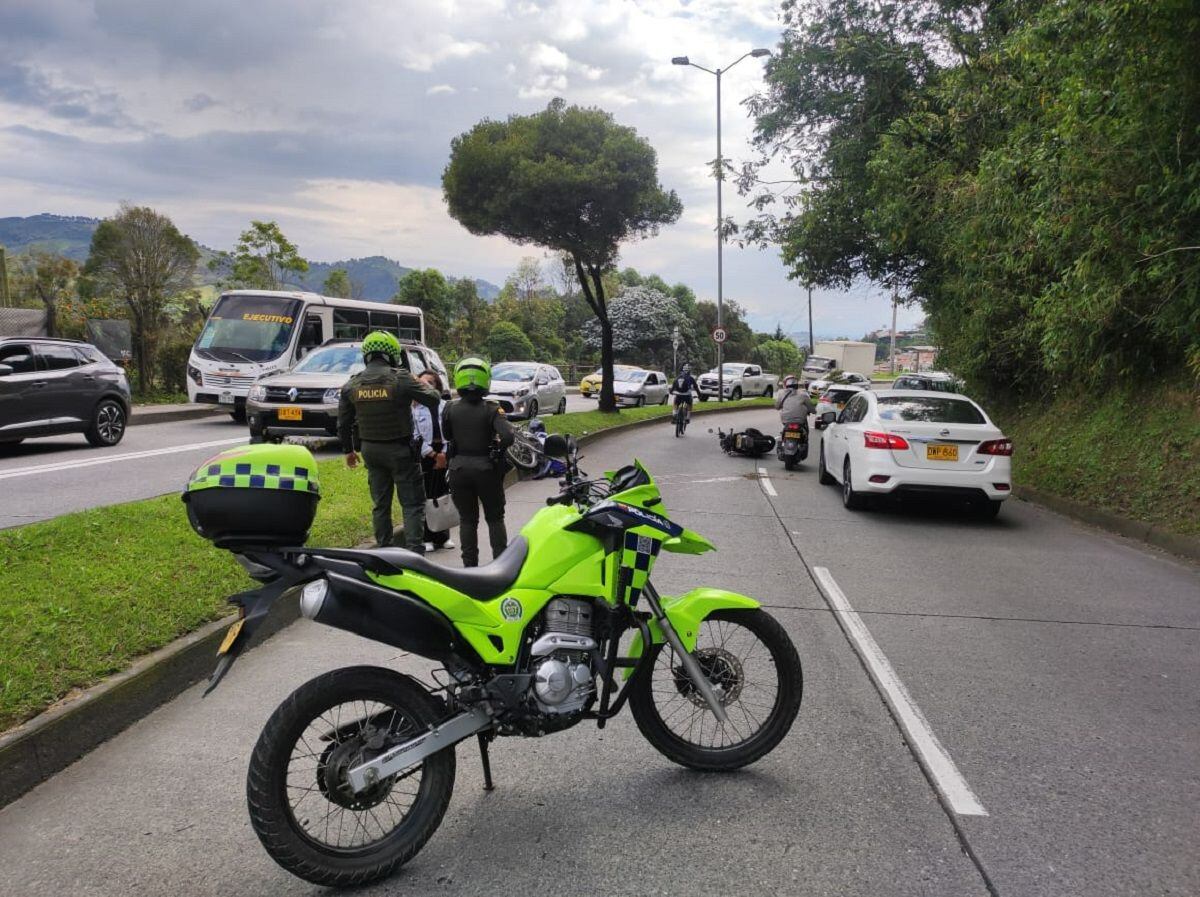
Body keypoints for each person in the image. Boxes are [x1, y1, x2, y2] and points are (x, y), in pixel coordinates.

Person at [337, 331, 441, 552]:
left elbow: (343, 424)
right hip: (401, 450)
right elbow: (434, 398)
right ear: (393, 354)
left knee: (380, 505)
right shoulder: (401, 378)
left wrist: (349, 451)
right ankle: (415, 553)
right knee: (412, 504)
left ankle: (384, 551)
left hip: (371, 451)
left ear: (367, 355)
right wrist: (415, 380)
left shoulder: (352, 384)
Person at [442, 357, 515, 567]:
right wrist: (497, 452)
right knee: (494, 517)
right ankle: (500, 564)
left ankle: (469, 567)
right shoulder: (492, 409)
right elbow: (508, 436)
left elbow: (447, 435)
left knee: (467, 520)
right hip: (486, 469)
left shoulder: (449, 408)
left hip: (458, 468)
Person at [412, 370, 454, 552]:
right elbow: (414, 436)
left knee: (443, 494)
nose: (426, 385)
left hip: (444, 452)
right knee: (427, 495)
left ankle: (443, 537)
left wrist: (444, 454)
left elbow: (452, 433)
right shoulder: (413, 409)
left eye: (431, 382)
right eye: (422, 382)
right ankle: (427, 537)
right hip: (425, 455)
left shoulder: (445, 407)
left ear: (437, 386)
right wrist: (433, 455)